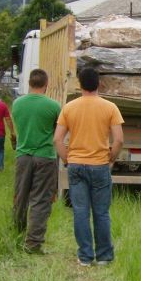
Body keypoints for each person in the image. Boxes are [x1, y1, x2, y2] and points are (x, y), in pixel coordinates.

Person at [54, 67, 124, 267]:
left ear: (79, 84)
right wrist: (111, 158)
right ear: (99, 83)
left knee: (80, 211)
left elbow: (57, 139)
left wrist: (67, 159)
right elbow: (118, 139)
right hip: (100, 165)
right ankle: (104, 256)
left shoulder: (69, 108)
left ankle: (85, 256)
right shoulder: (110, 108)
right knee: (101, 212)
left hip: (76, 165)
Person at [11, 69, 61, 255]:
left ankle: (17, 233)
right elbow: (57, 132)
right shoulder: (54, 106)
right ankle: (33, 243)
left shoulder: (17, 104)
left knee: (20, 196)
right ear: (46, 84)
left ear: (29, 83)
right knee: (40, 200)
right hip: (45, 156)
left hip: (23, 156)